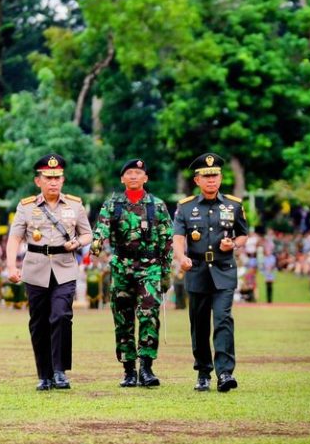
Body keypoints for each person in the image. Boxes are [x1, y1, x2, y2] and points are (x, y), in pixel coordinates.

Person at [6, 154, 92, 391]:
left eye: (57, 177)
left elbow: (87, 233)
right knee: (39, 322)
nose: (53, 182)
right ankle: (44, 374)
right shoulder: (26, 207)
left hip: (65, 268)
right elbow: (14, 238)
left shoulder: (75, 205)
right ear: (38, 181)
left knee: (62, 315)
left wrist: (77, 243)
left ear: (63, 180)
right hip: (35, 268)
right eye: (48, 177)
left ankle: (59, 371)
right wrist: (11, 266)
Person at [90, 159, 173, 388]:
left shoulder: (157, 205)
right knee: (123, 319)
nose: (134, 176)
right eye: (129, 173)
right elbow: (102, 228)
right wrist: (96, 243)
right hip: (121, 266)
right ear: (122, 179)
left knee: (148, 314)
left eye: (138, 173)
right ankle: (128, 369)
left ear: (145, 178)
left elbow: (167, 240)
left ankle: (146, 367)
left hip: (150, 266)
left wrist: (166, 273)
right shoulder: (112, 204)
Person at [173, 153, 248, 392]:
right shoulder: (185, 208)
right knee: (199, 323)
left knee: (223, 319)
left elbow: (243, 234)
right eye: (206, 177)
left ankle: (225, 373)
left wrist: (234, 244)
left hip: (224, 270)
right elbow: (177, 238)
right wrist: (181, 258)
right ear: (197, 180)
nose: (211, 180)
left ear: (221, 177)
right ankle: (203, 372)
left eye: (214, 175)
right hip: (196, 271)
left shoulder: (233, 205)